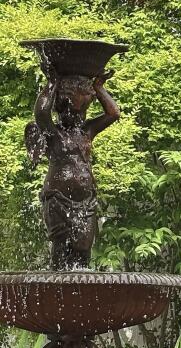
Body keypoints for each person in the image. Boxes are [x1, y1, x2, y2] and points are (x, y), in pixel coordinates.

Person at [25, 63, 120, 270]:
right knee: (61, 249)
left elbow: (113, 114)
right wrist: (52, 83)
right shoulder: (53, 134)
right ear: (62, 109)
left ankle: (80, 289)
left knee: (84, 250)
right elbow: (41, 114)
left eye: (83, 111)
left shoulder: (87, 131)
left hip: (86, 201)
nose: (79, 116)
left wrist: (99, 88)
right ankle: (57, 289)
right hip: (58, 199)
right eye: (75, 111)